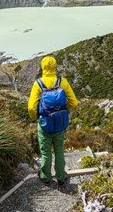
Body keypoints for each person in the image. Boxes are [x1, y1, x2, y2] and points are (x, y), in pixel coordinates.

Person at [28, 55, 78, 185]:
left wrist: (36, 118)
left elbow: (32, 107)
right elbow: (74, 102)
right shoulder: (62, 82)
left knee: (45, 152)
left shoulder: (38, 84)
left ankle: (46, 177)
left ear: (43, 67)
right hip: (60, 122)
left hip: (44, 123)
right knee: (59, 150)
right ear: (55, 66)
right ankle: (61, 177)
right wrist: (63, 111)